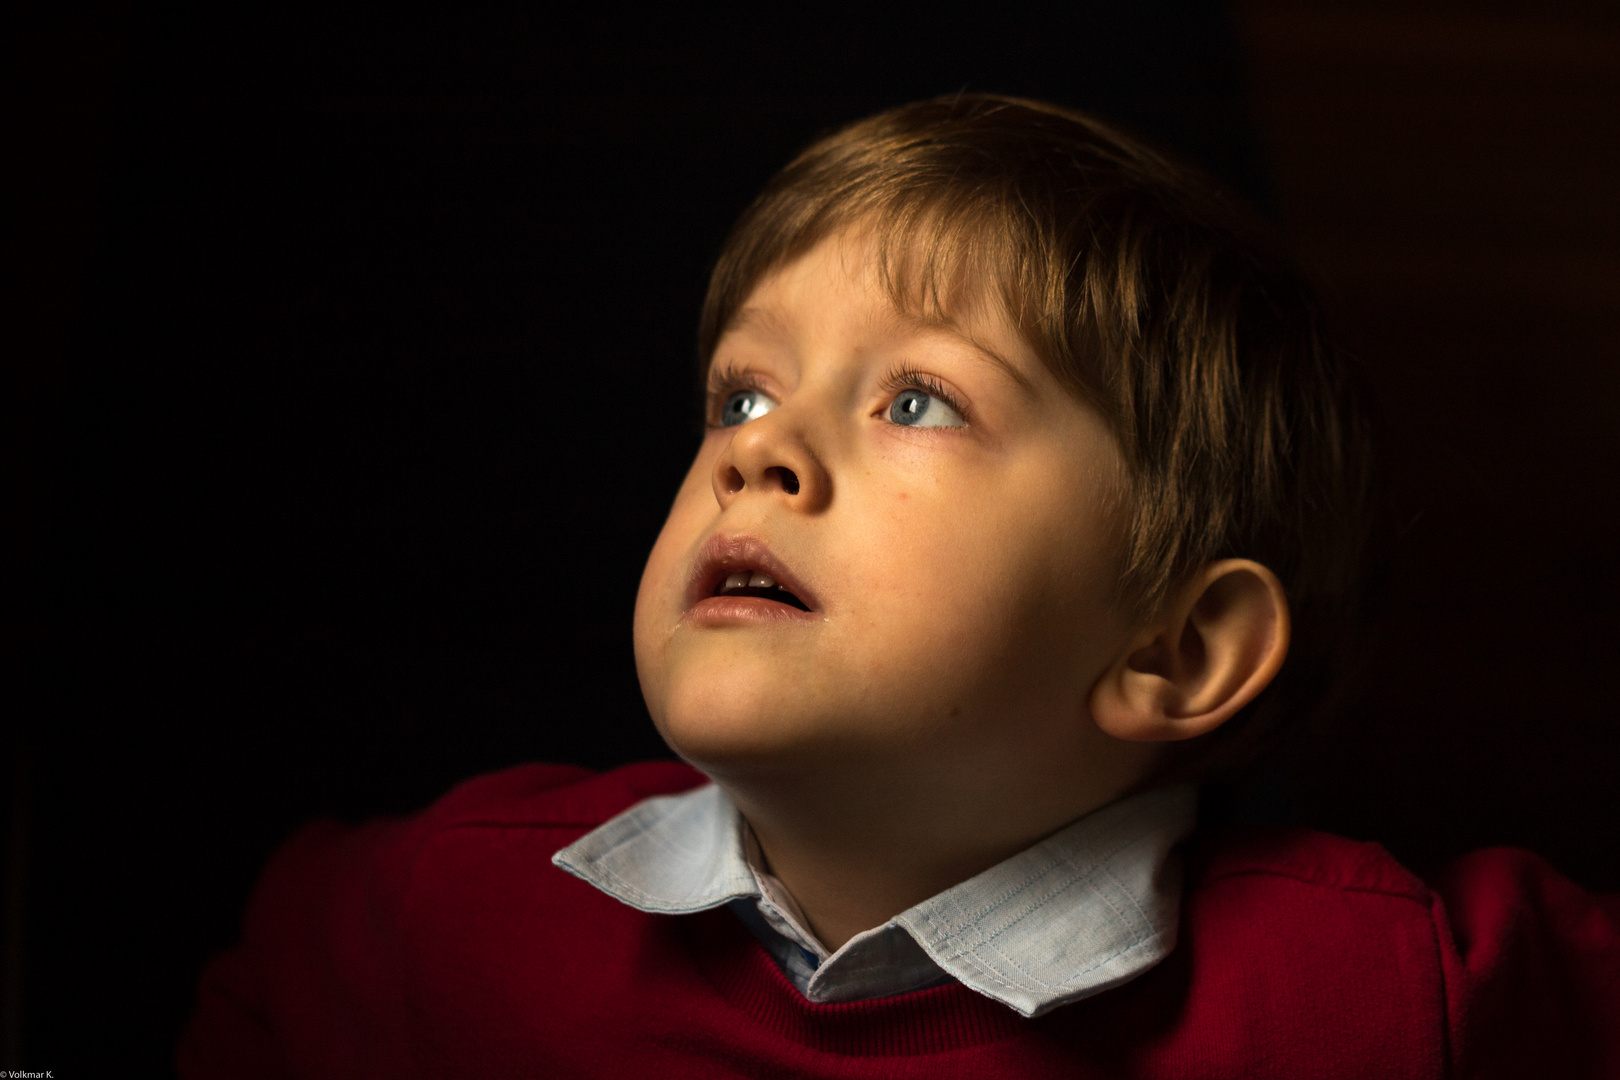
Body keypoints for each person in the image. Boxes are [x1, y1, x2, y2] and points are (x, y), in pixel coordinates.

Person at [178, 94, 1620, 1078]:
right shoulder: (463, 901)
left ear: (1176, 650)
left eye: (919, 402)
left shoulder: (1381, 983)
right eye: (742, 397)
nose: (765, 456)